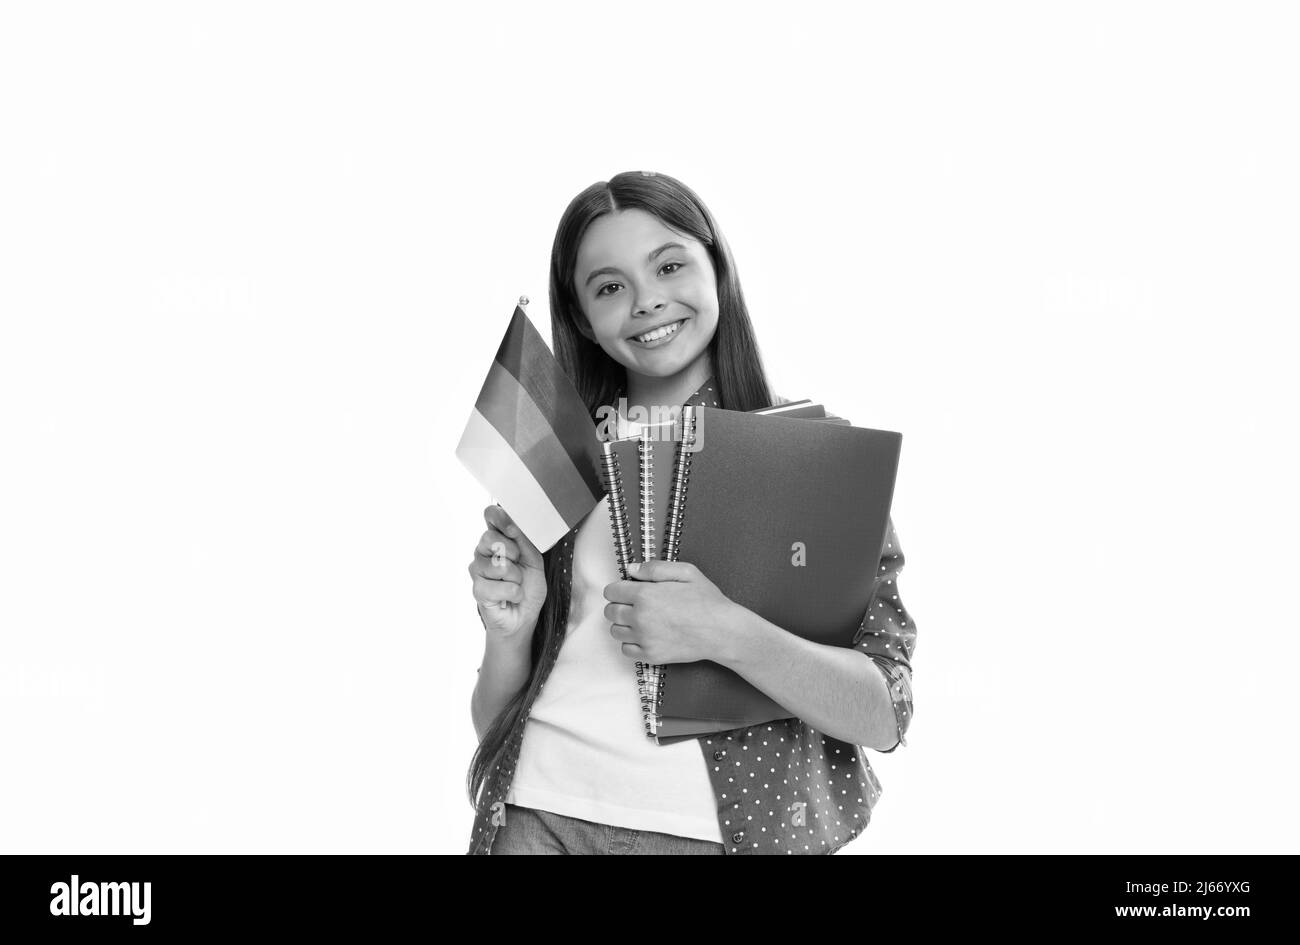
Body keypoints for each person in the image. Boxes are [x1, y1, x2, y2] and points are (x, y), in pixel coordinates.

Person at [464, 171, 916, 855]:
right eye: (610, 286)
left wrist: (725, 631)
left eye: (669, 265)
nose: (647, 302)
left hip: (708, 837)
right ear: (584, 318)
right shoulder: (563, 459)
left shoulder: (810, 460)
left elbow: (885, 709)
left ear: (717, 267)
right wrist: (511, 630)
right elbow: (494, 721)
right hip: (534, 815)